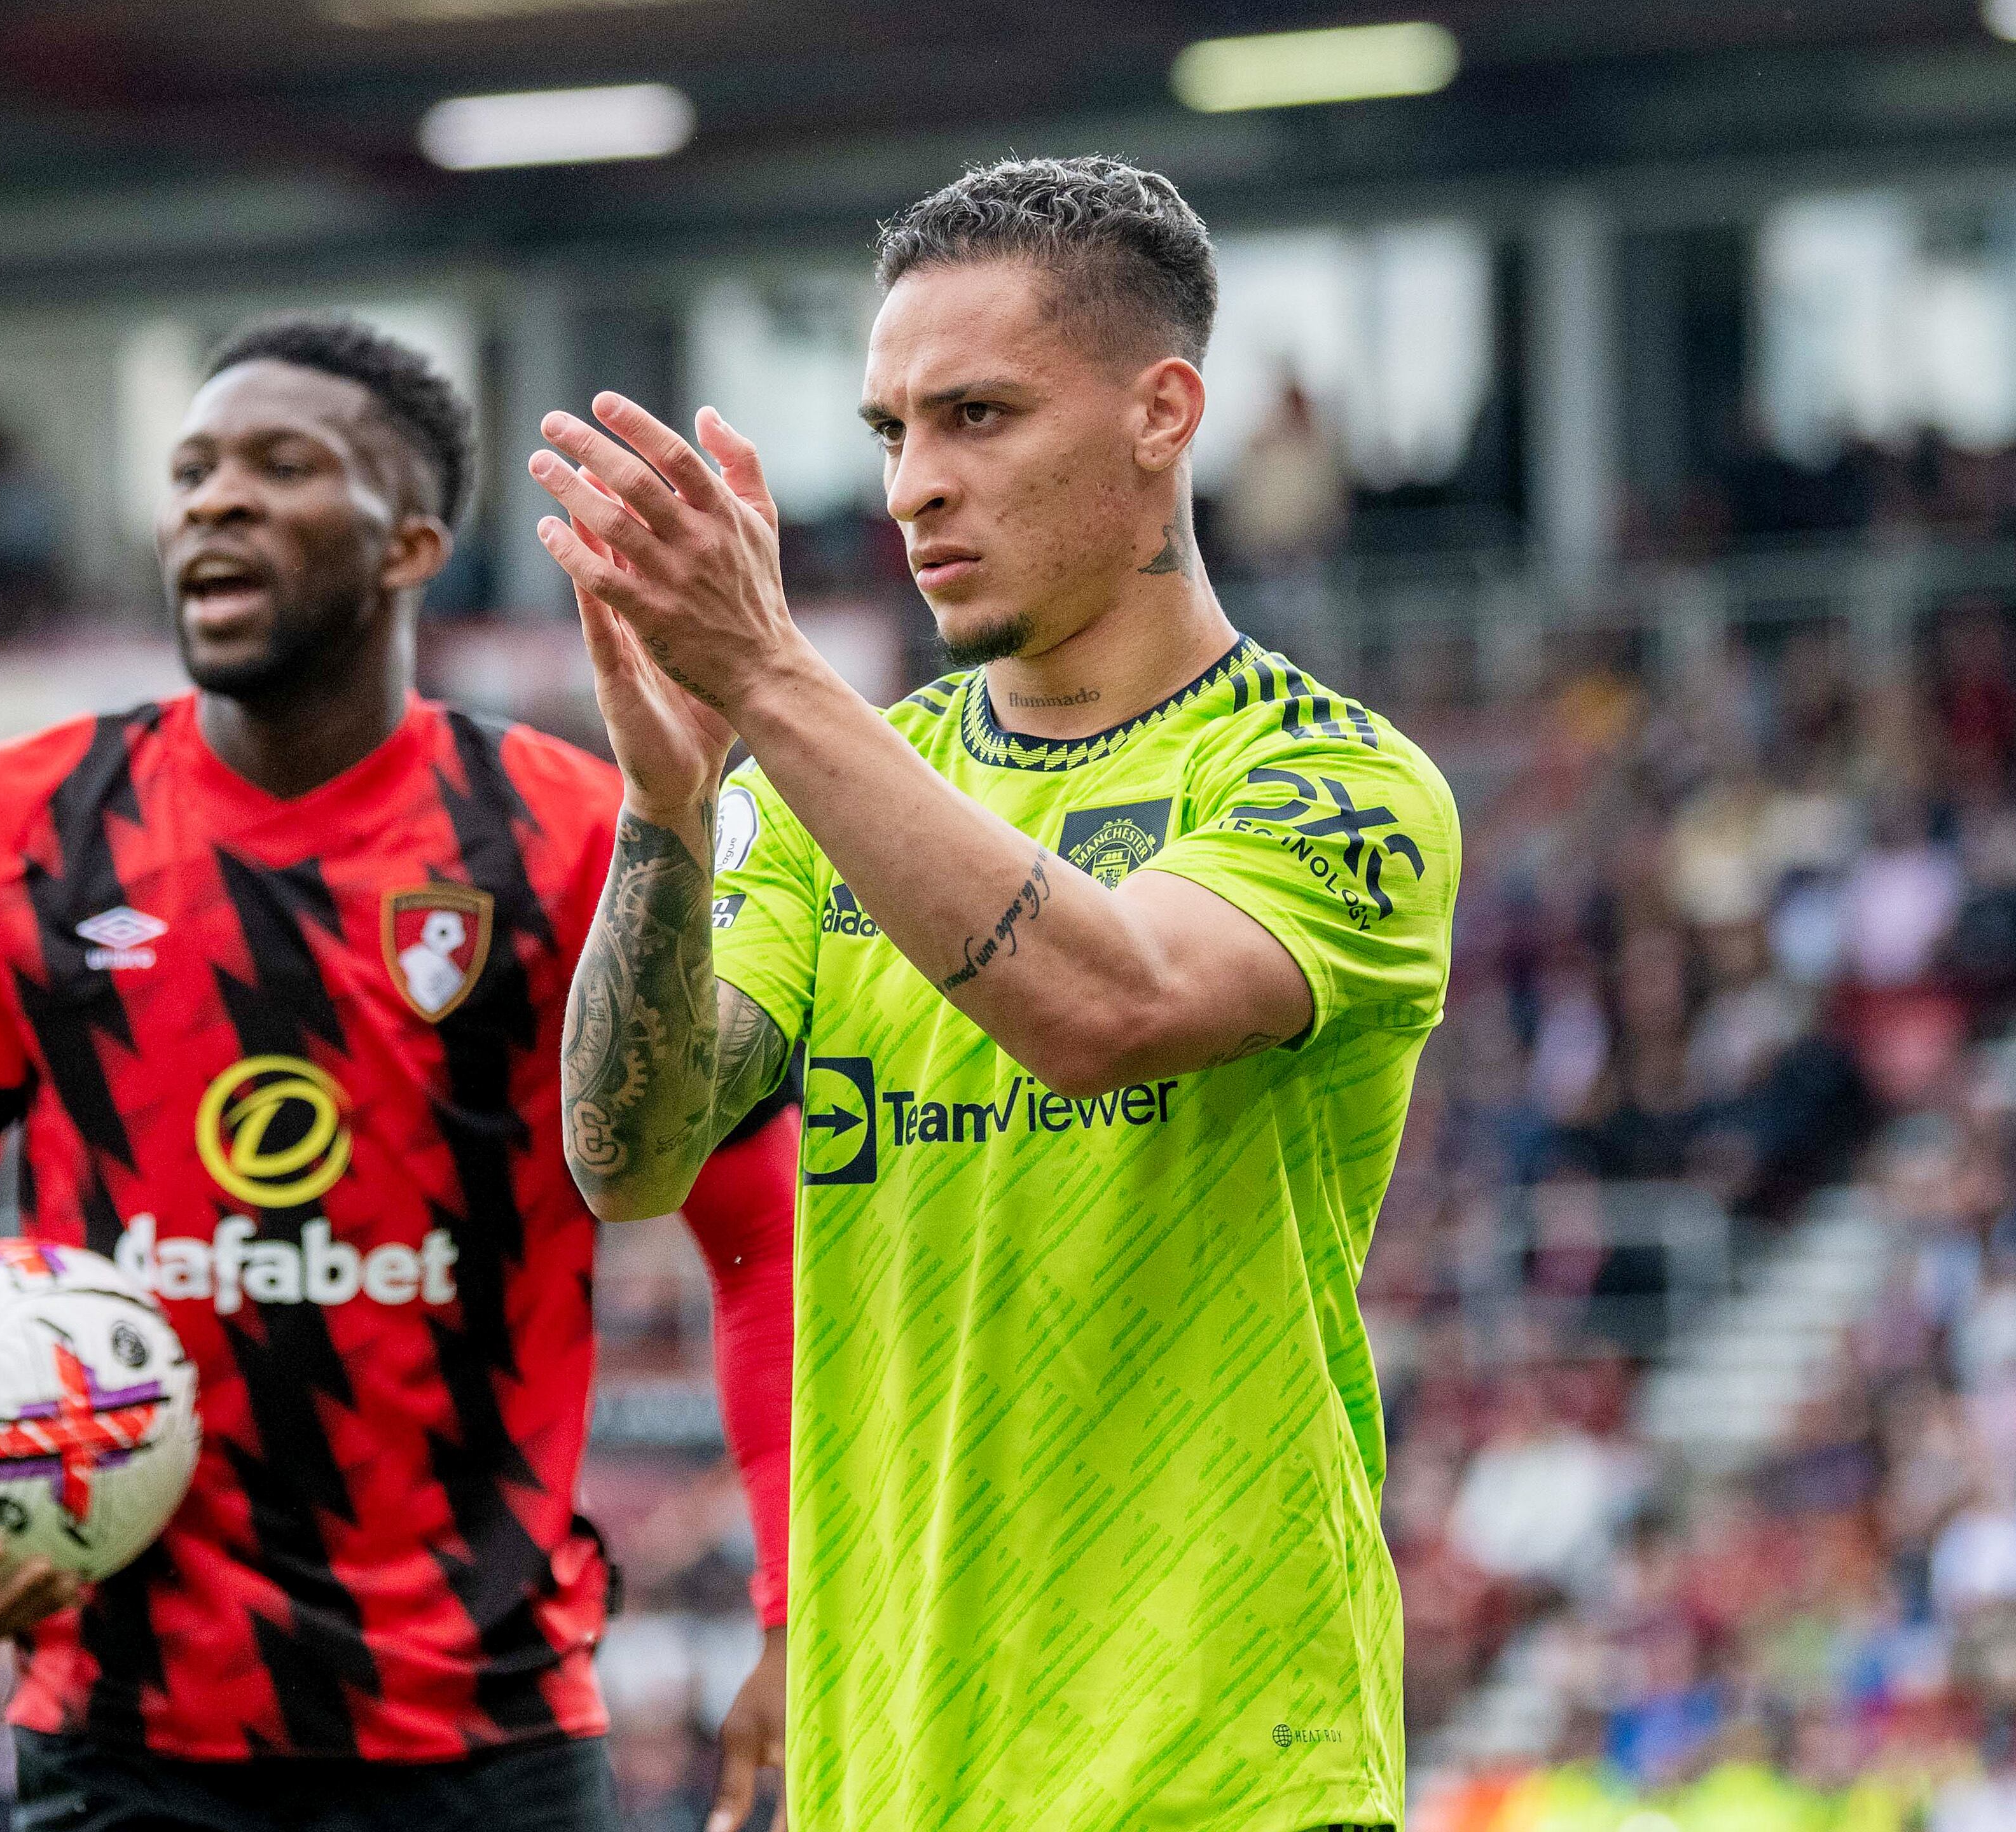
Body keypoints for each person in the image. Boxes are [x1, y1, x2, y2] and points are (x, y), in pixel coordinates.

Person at [529, 155, 1458, 1829]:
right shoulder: (832, 792)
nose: (911, 492)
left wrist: (770, 678)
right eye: (892, 433)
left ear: (1161, 413)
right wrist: (666, 815)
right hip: (891, 1772)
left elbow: (1108, 1011)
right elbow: (629, 1152)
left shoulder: (1336, 785)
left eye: (977, 418)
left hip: (1218, 1775)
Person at [0, 313, 799, 1832]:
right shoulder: (22, 824)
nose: (214, 499)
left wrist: (799, 1605)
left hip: (493, 1730)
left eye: (279, 465)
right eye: (191, 471)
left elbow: (759, 1230)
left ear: (410, 542)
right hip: (119, 1730)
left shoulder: (575, 833)